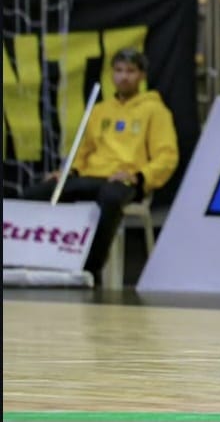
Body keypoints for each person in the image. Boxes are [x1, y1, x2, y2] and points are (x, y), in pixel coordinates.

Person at [21, 49, 179, 284]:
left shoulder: (155, 110)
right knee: (38, 192)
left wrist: (140, 175)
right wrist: (69, 171)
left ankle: (90, 267)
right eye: (118, 70)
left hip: (124, 178)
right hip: (90, 175)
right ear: (111, 74)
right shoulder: (99, 110)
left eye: (130, 71)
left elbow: (167, 155)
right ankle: (26, 260)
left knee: (111, 197)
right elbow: (83, 151)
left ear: (142, 76)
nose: (124, 77)